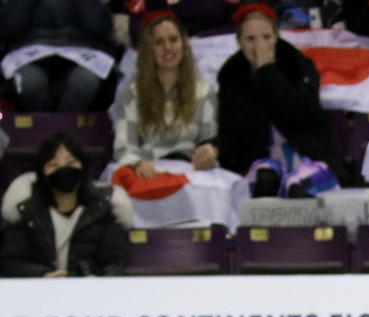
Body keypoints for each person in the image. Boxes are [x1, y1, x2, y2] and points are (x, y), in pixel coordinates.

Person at [215, 3, 345, 197]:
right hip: (259, 160)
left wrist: (268, 72)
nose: (260, 46)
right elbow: (233, 133)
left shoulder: (299, 66)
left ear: (277, 36)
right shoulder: (231, 76)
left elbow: (306, 117)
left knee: (299, 189)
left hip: (306, 155)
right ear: (239, 41)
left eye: (266, 37)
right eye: (250, 39)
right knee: (265, 179)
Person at [1, 133, 129, 278]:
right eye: (53, 165)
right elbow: (11, 263)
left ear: (83, 167)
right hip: (38, 292)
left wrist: (93, 280)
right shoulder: (25, 210)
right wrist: (43, 275)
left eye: (71, 163)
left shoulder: (103, 209)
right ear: (42, 172)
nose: (63, 169)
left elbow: (115, 262)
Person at [113, 11, 219, 176]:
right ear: (149, 50)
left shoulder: (205, 92)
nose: (168, 47)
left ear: (183, 44)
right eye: (159, 42)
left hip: (191, 173)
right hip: (147, 174)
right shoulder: (130, 93)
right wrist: (138, 163)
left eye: (173, 40)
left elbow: (208, 141)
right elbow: (124, 146)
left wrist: (208, 152)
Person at [0, 0, 118, 111]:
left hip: (81, 47)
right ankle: (45, 129)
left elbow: (100, 29)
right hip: (29, 48)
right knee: (30, 81)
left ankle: (65, 129)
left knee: (84, 81)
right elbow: (9, 28)